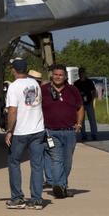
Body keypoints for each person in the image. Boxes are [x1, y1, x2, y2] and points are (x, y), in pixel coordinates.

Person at [5, 58, 47, 210]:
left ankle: (17, 198)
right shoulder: (35, 84)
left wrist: (9, 130)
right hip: (37, 129)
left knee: (14, 162)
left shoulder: (14, 87)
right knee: (37, 165)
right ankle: (36, 200)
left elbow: (13, 110)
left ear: (13, 70)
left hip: (21, 131)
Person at [41, 65, 83, 199]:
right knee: (56, 159)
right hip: (51, 132)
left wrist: (79, 123)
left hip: (69, 131)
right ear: (51, 76)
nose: (58, 77)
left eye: (60, 75)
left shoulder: (73, 90)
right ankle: (58, 185)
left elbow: (80, 107)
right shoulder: (43, 90)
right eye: (55, 74)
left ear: (65, 77)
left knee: (67, 161)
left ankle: (62, 186)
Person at [73, 69, 99, 141]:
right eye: (80, 73)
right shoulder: (76, 83)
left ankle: (94, 134)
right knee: (81, 120)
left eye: (82, 73)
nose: (81, 74)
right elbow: (74, 93)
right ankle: (83, 134)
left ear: (85, 73)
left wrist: (92, 100)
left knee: (92, 119)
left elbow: (93, 91)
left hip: (88, 102)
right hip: (80, 103)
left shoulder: (89, 82)